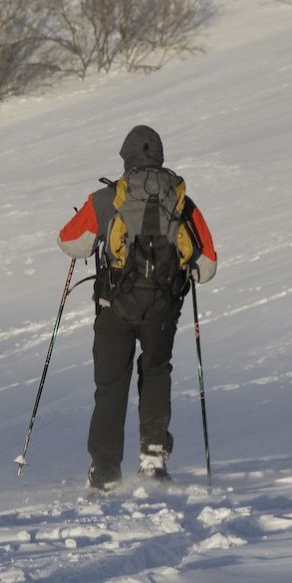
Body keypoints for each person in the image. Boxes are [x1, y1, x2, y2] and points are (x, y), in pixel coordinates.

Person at [57, 125, 218, 492]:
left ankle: (105, 472)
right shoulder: (181, 202)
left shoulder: (107, 198)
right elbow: (206, 266)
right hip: (162, 308)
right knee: (156, 373)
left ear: (126, 158)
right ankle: (154, 460)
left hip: (114, 307)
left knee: (110, 387)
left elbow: (71, 243)